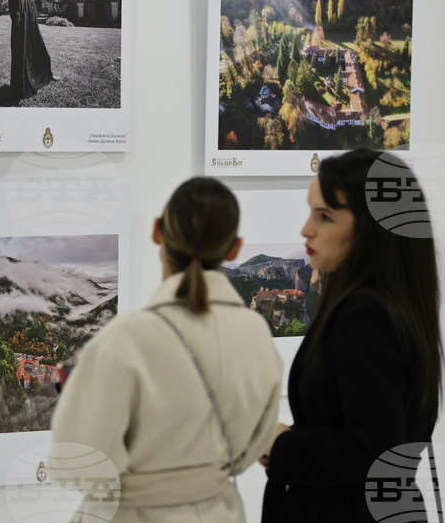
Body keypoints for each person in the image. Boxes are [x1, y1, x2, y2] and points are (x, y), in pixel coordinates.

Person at [51, 177, 282, 522]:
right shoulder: (257, 334)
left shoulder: (124, 340)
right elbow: (253, 446)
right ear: (234, 248)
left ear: (157, 231)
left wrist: (78, 398)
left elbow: (78, 465)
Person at [261, 148, 444, 523]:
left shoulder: (367, 317)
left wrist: (283, 445)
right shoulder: (391, 306)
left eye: (324, 216)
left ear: (371, 229)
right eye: (311, 211)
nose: (306, 229)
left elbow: (372, 451)